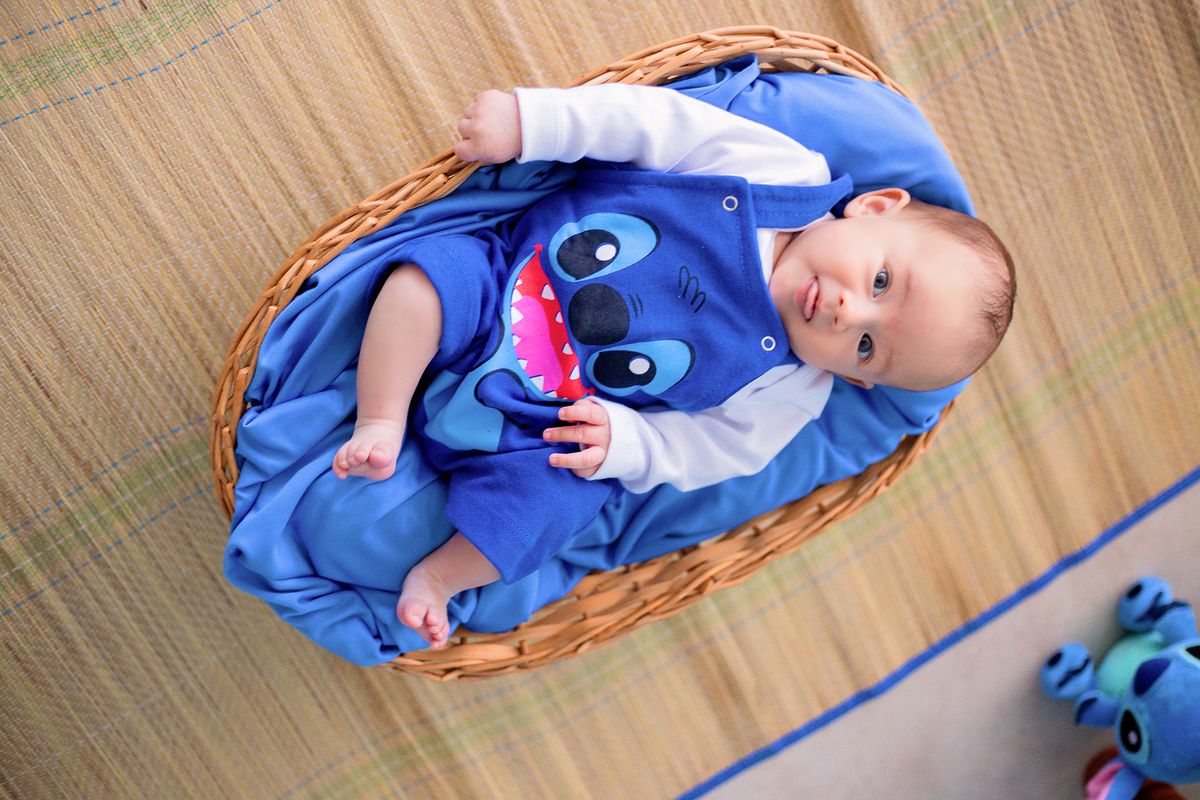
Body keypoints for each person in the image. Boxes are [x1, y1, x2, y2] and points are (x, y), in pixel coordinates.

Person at [330, 83, 1016, 647]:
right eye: (881, 282)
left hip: (547, 423)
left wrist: (626, 444)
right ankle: (381, 419)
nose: (846, 312)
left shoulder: (791, 391)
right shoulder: (777, 176)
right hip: (507, 276)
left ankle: (442, 579)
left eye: (867, 346)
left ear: (857, 379)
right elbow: (654, 124)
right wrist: (535, 124)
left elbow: (708, 451)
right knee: (422, 285)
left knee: (554, 507)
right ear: (872, 207)